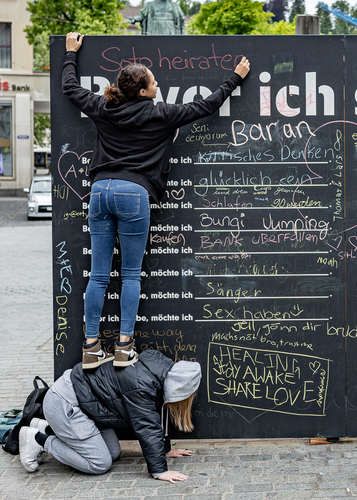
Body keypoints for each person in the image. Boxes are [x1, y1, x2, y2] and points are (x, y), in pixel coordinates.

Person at [61, 32, 250, 368]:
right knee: (131, 274)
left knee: (99, 275)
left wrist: (70, 54)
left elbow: (71, 89)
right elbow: (207, 105)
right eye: (153, 80)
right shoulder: (161, 113)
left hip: (100, 192)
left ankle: (90, 348)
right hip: (134, 194)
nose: (157, 82)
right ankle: (123, 347)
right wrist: (235, 78)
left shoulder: (105, 107)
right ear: (145, 89)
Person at [18, 350, 200, 482]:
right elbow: (147, 427)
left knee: (113, 453)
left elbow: (157, 414)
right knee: (99, 463)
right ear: (179, 389)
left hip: (86, 407)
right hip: (65, 403)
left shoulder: (157, 369)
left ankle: (46, 427)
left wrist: (165, 450)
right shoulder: (141, 384)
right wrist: (160, 471)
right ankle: (38, 439)